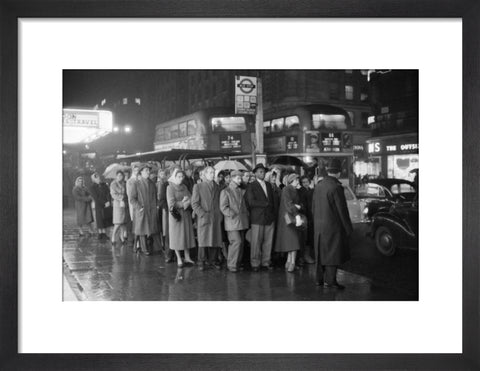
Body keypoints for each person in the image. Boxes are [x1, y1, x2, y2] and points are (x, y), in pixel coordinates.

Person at [312, 159, 353, 289]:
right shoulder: (336, 187)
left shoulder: (318, 186)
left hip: (318, 225)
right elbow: (342, 210)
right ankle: (330, 281)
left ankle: (319, 279)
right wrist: (348, 228)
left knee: (320, 253)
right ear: (339, 173)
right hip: (332, 226)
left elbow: (313, 207)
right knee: (332, 254)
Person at [245, 163, 276, 271]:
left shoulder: (268, 185)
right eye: (260, 171)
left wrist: (273, 214)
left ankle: (266, 262)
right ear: (255, 173)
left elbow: (273, 200)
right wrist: (265, 204)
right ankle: (255, 263)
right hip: (257, 218)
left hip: (269, 217)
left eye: (263, 171)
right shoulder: (251, 185)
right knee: (256, 242)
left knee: (268, 241)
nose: (262, 173)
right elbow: (250, 202)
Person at [191, 166, 224, 270]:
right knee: (203, 240)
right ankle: (201, 261)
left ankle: (213, 260)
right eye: (210, 172)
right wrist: (202, 214)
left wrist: (220, 215)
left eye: (213, 172)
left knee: (215, 238)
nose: (212, 174)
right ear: (204, 174)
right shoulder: (198, 186)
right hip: (204, 217)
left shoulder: (218, 187)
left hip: (216, 217)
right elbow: (194, 203)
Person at [220, 170, 249, 272]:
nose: (240, 180)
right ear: (232, 178)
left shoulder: (240, 191)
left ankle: (236, 263)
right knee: (236, 242)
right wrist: (232, 214)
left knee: (240, 243)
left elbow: (244, 206)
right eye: (238, 178)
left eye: (240, 178)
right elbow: (223, 207)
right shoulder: (226, 191)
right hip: (232, 222)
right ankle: (232, 264)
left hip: (241, 221)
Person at [274, 173, 304, 273]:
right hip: (290, 217)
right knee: (294, 240)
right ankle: (292, 263)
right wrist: (297, 213)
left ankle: (289, 261)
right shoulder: (288, 189)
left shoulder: (288, 189)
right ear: (291, 181)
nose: (297, 182)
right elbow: (289, 204)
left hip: (287, 217)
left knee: (290, 240)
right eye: (296, 180)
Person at [167, 168, 196, 267]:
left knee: (186, 236)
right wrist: (183, 203)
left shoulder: (184, 186)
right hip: (176, 216)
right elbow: (171, 204)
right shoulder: (170, 187)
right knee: (176, 237)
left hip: (186, 215)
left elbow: (191, 197)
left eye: (182, 176)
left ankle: (187, 257)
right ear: (174, 177)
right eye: (179, 176)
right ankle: (179, 258)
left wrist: (189, 201)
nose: (181, 178)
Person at [129, 165, 161, 255]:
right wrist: (139, 207)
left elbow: (155, 197)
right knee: (142, 229)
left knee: (149, 228)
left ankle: (147, 246)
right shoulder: (136, 184)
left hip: (151, 209)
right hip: (141, 210)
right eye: (146, 170)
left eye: (148, 170)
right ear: (141, 172)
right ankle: (144, 249)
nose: (148, 172)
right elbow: (132, 199)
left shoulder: (152, 183)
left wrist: (157, 206)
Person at [89, 172, 113, 240]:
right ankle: (100, 233)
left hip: (106, 204)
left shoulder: (104, 185)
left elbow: (108, 193)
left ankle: (104, 233)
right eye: (96, 178)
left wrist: (108, 201)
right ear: (93, 179)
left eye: (98, 177)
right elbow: (95, 197)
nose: (98, 179)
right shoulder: (92, 187)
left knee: (105, 219)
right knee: (99, 219)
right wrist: (104, 203)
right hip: (99, 205)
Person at [157, 168, 174, 262]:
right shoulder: (165, 184)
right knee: (168, 233)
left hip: (175, 211)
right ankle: (168, 254)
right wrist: (167, 209)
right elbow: (161, 200)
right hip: (168, 211)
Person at [298, 176, 315, 264]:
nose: (305, 183)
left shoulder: (311, 190)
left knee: (309, 237)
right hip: (305, 216)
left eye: (306, 181)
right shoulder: (301, 191)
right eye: (303, 182)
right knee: (306, 238)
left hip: (311, 216)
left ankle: (307, 255)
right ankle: (305, 256)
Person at [110, 170, 129, 244]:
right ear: (116, 176)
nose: (120, 177)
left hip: (123, 203)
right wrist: (120, 198)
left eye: (121, 176)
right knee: (118, 222)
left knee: (123, 222)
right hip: (117, 204)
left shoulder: (124, 183)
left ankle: (122, 237)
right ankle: (113, 237)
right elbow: (113, 194)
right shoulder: (113, 184)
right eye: (118, 175)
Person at [126, 164, 140, 242]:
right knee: (134, 220)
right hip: (133, 202)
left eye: (138, 170)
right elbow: (129, 193)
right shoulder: (130, 181)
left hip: (140, 201)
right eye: (135, 170)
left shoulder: (140, 179)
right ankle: (135, 241)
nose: (136, 172)